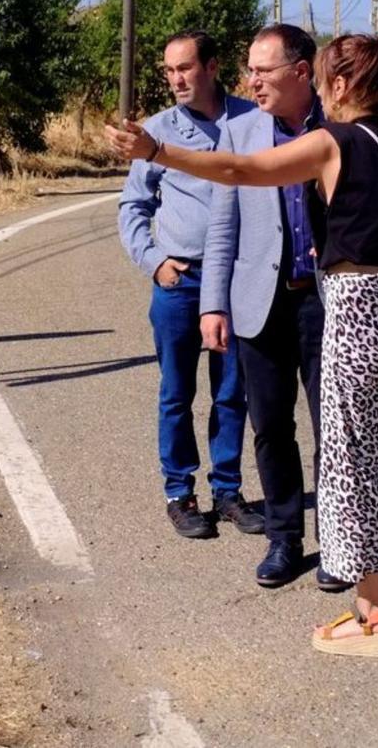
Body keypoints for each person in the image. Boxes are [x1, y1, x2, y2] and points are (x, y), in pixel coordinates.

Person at [106, 25, 378, 659]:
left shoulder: (333, 139)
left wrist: (156, 149)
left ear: (337, 83)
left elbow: (239, 170)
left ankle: (372, 615)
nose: (256, 83)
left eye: (323, 75)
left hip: (350, 309)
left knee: (346, 457)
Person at [197, 25, 341, 591]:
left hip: (327, 305)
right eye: (249, 69)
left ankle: (339, 541)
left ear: (301, 72)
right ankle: (285, 538)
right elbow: (222, 226)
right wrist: (213, 304)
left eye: (264, 70)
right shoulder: (239, 132)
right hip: (258, 304)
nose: (251, 80)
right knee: (270, 428)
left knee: (334, 429)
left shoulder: (339, 127)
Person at [117, 30, 263, 539]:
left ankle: (228, 491)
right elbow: (132, 207)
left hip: (237, 281)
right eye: (169, 70)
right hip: (180, 281)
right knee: (177, 392)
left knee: (232, 392)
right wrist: (155, 261)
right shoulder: (156, 133)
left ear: (212, 66)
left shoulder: (251, 121)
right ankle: (180, 493)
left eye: (185, 67)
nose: (176, 78)